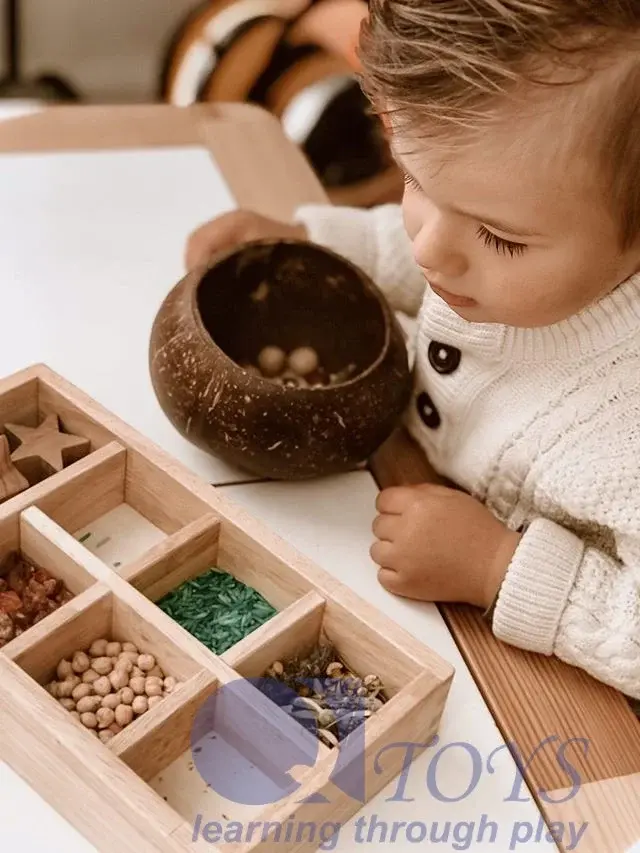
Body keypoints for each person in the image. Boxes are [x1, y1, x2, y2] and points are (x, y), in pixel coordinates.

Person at [185, 0, 640, 704]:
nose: (430, 246)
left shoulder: (624, 432)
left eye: (500, 237)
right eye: (413, 179)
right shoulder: (501, 215)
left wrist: (499, 566)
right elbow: (424, 244)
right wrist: (317, 240)